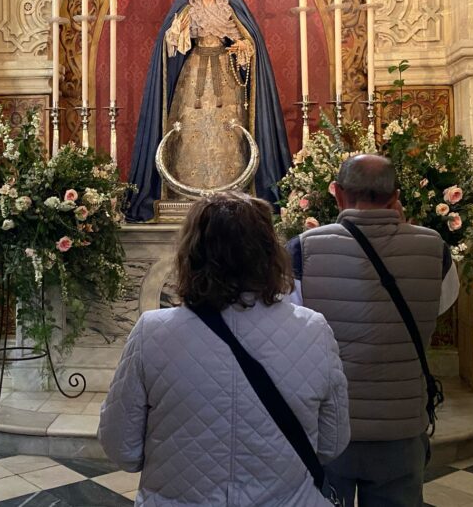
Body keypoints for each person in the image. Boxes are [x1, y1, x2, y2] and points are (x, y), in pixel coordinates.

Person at [100, 192, 349, 505]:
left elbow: (120, 446)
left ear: (191, 253)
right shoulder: (313, 329)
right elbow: (332, 442)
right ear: (269, 253)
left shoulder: (153, 332)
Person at [287, 155, 458, 506]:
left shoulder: (305, 249)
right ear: (395, 197)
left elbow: (292, 325)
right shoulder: (434, 248)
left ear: (337, 194)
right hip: (401, 425)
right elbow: (439, 305)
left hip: (329, 425)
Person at [126, 0, 291, 221]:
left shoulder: (230, 10)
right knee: (188, 127)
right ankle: (185, 191)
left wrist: (241, 46)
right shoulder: (188, 11)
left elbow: (250, 43)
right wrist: (175, 35)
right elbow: (172, 47)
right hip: (195, 73)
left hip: (224, 74)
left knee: (229, 128)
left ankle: (231, 191)